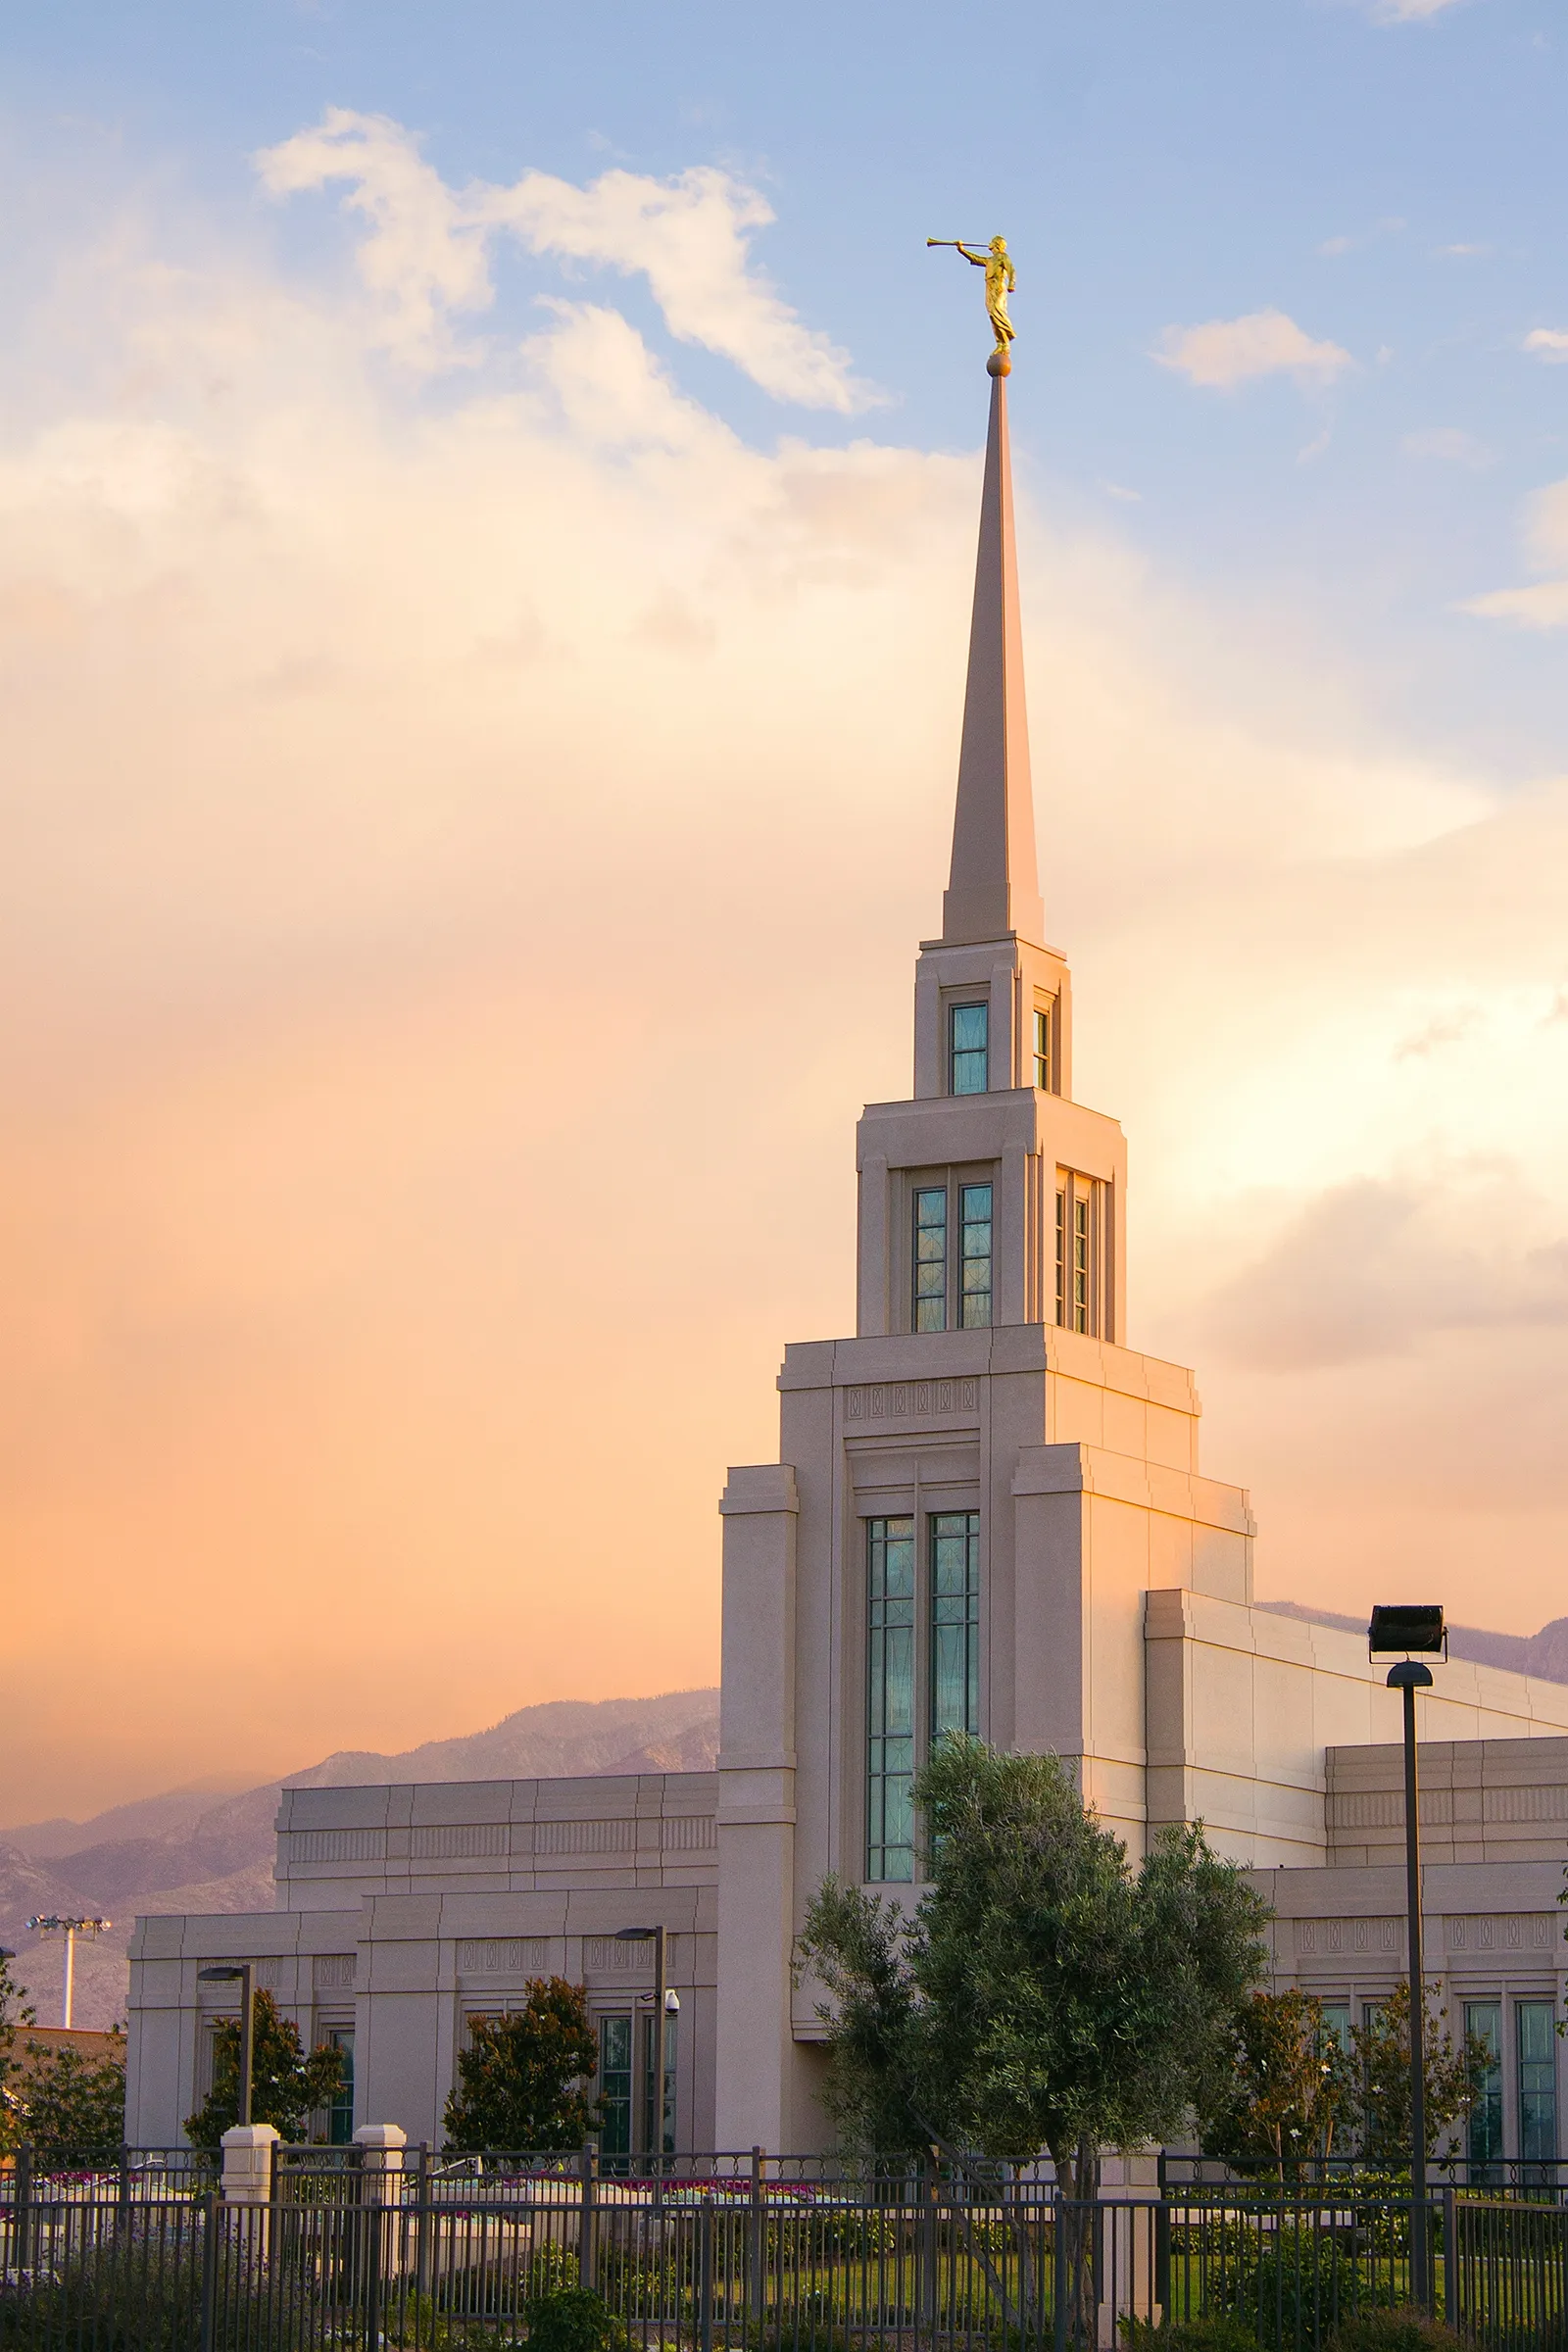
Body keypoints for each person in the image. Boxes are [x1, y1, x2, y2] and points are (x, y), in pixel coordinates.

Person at [954, 236, 1016, 355]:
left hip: (999, 287)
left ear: (996, 244)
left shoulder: (1002, 257)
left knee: (997, 310)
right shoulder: (990, 260)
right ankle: (1000, 343)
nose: (989, 243)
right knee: (992, 316)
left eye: (992, 241)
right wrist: (962, 250)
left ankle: (1008, 336)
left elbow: (1011, 270)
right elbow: (976, 259)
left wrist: (1011, 284)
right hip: (989, 288)